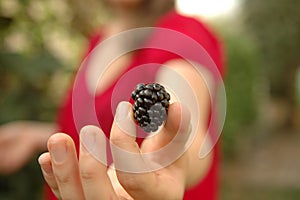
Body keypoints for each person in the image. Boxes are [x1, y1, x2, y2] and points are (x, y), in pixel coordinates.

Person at [0, 0, 225, 199]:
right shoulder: (98, 39)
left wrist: (169, 156)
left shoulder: (183, 33)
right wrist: (36, 136)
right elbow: (97, 128)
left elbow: (190, 128)